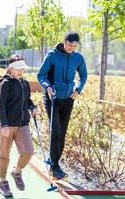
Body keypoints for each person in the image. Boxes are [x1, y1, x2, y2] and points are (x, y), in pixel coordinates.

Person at [37, 31, 88, 180]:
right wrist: (47, 86)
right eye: (70, 44)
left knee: (62, 133)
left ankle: (55, 164)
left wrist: (78, 89)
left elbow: (84, 75)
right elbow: (41, 75)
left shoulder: (78, 58)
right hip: (52, 98)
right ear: (64, 42)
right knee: (56, 131)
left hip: (68, 99)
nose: (72, 47)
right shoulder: (52, 55)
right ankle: (54, 167)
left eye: (75, 45)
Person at [0, 54, 37, 197]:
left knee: (28, 152)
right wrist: (4, 125)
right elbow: (1, 106)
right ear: (11, 68)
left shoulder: (25, 83)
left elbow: (28, 101)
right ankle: (3, 182)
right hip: (8, 125)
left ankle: (17, 171)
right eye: (18, 69)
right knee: (4, 155)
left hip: (23, 124)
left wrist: (33, 107)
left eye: (23, 69)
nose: (21, 71)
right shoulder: (6, 83)